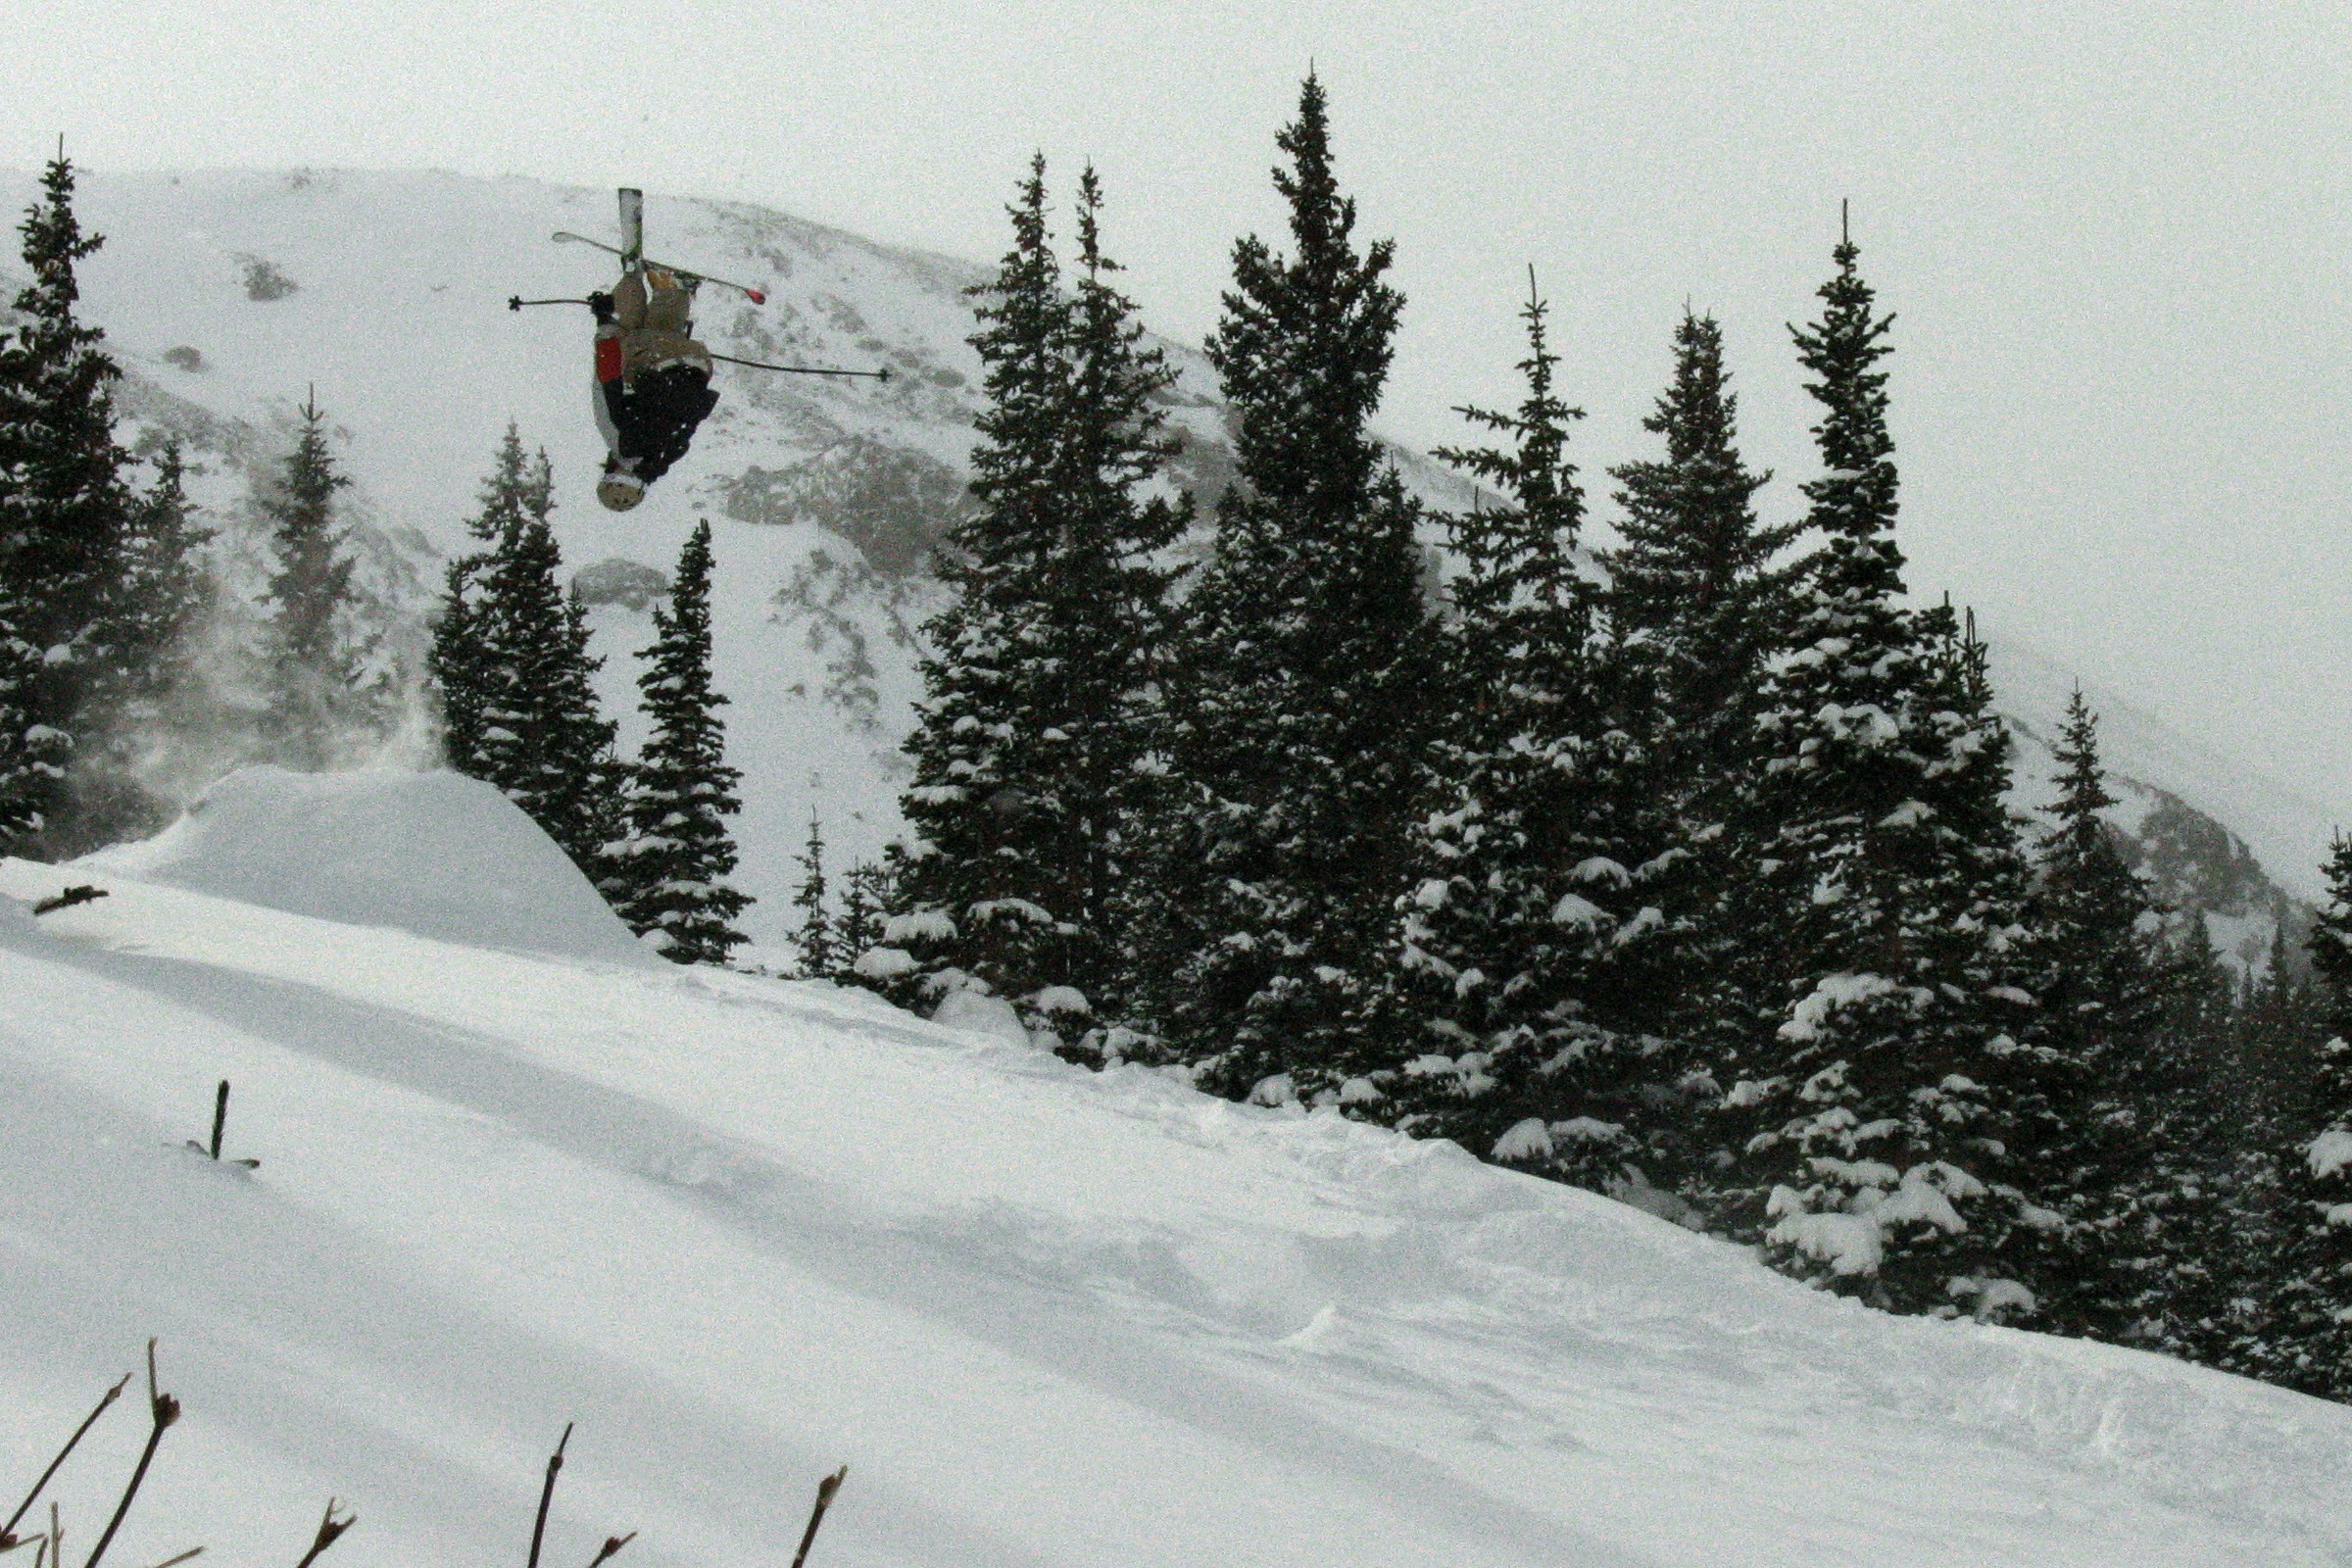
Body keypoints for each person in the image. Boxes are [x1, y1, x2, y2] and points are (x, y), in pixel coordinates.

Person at [590, 268, 718, 512]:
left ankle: (675, 291)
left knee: (650, 347)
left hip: (697, 361)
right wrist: (604, 321)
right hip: (658, 358)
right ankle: (632, 277)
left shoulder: (667, 455)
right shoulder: (620, 441)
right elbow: (605, 380)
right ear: (611, 473)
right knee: (627, 338)